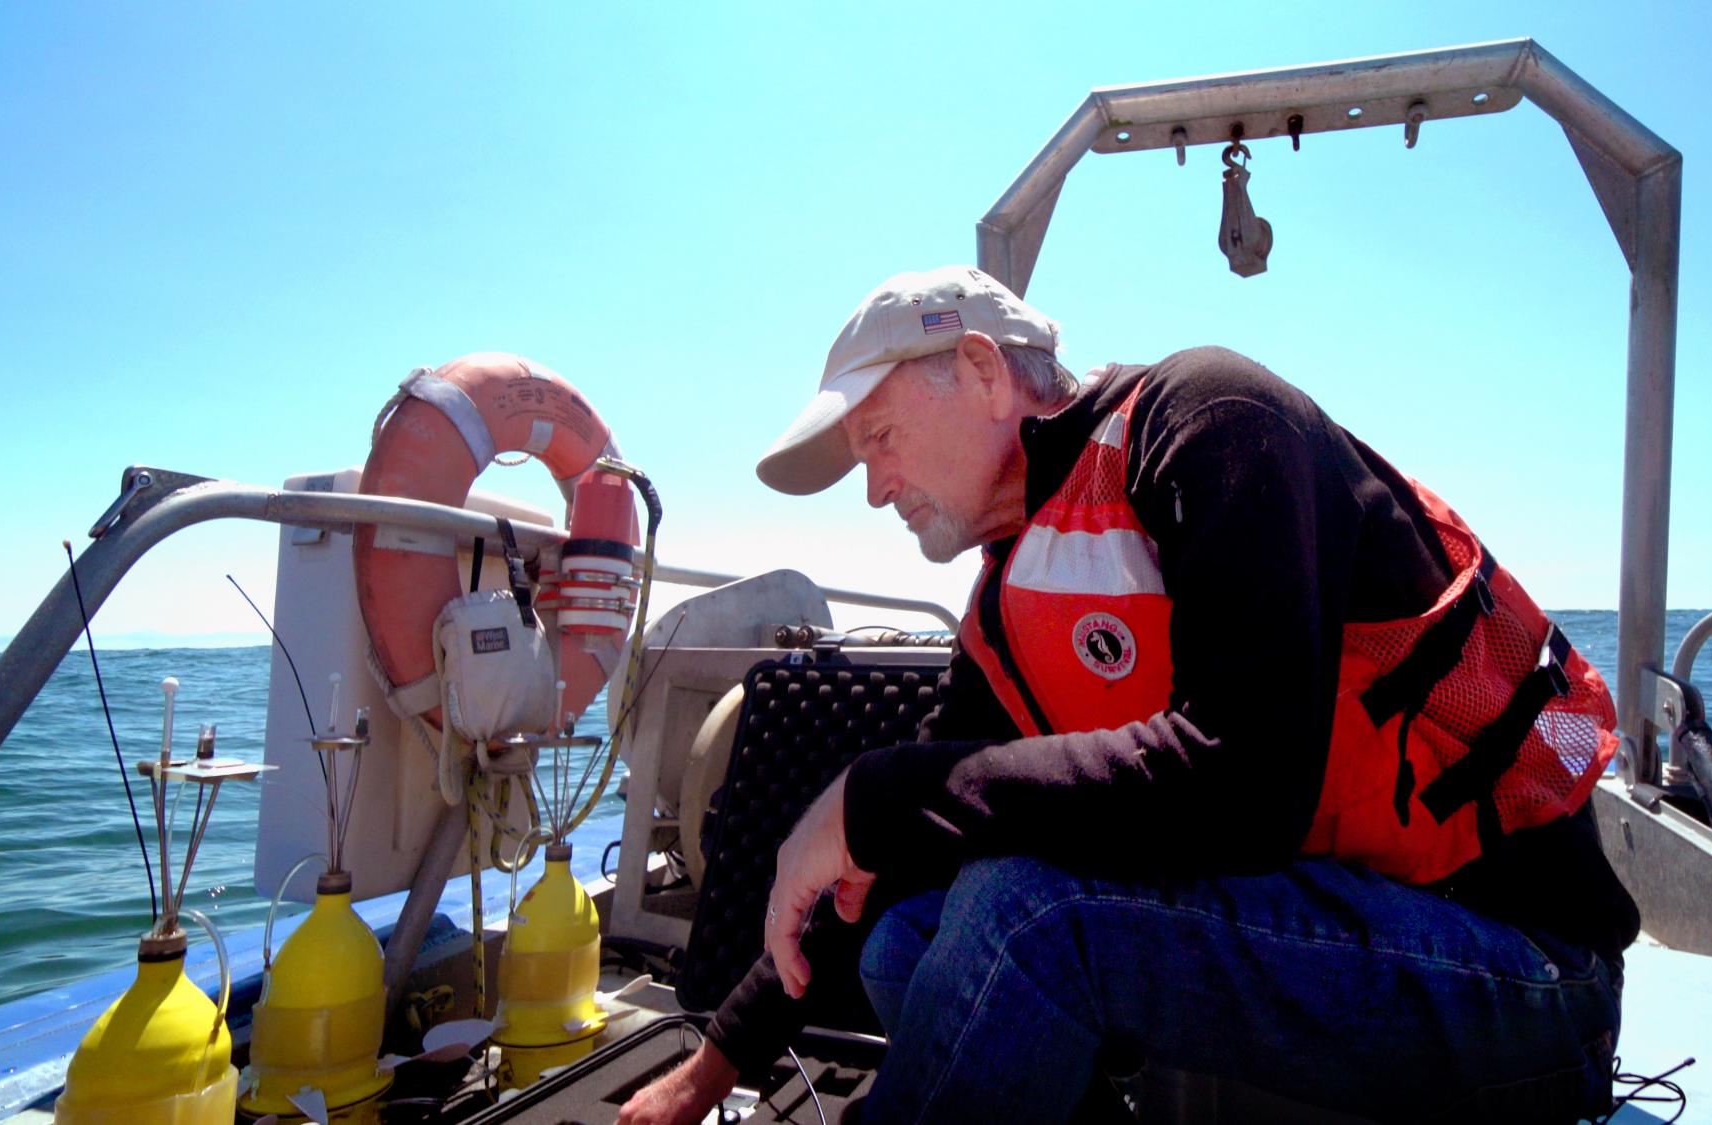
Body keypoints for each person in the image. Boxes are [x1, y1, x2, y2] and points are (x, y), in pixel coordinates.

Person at [616, 265, 1639, 1124]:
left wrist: (875, 794)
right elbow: (900, 845)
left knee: (1030, 913)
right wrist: (713, 1069)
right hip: (1323, 938)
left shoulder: (1208, 418)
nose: (873, 489)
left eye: (877, 440)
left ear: (978, 368)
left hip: (1524, 976)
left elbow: (1244, 789)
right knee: (908, 933)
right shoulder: (1010, 602)